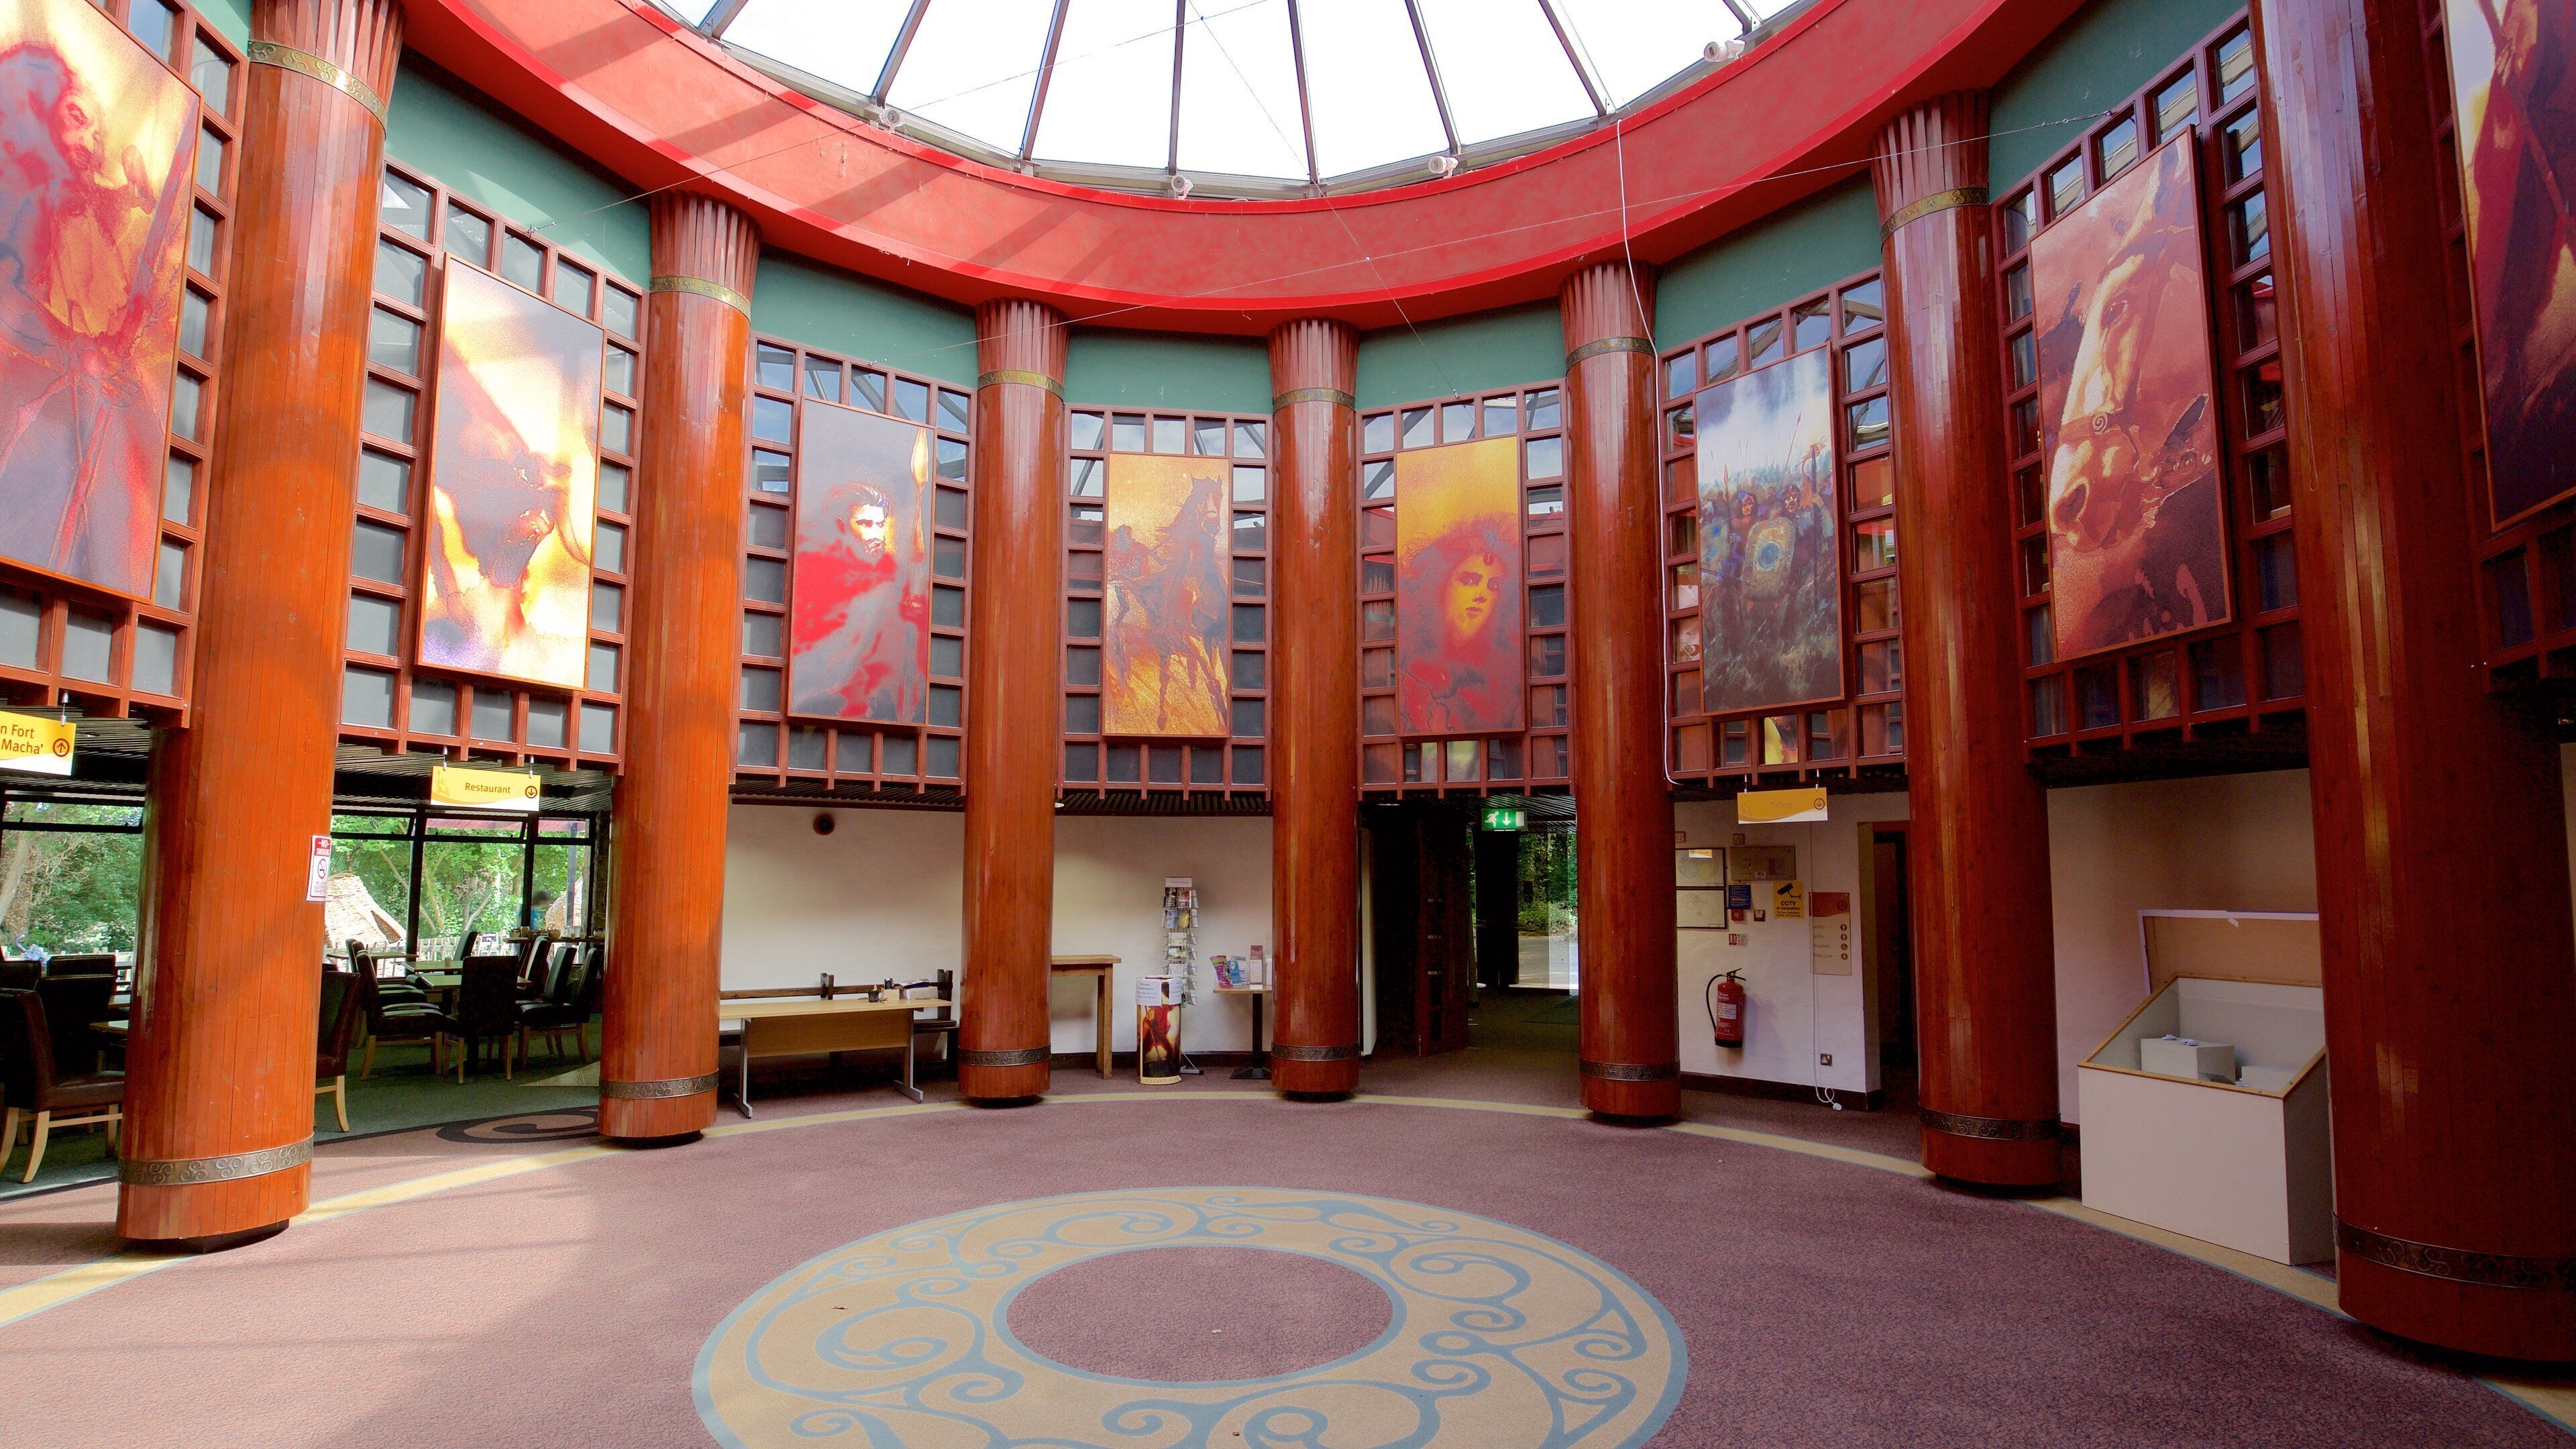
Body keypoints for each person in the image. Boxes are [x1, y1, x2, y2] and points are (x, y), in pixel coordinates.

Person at [0, 34, 189, 598]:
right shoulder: (26, 196)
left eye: (96, 131)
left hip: (77, 401)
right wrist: (81, 353)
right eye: (76, 120)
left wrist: (138, 184)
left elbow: (128, 204)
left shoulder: (76, 196)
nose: (89, 140)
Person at [1399, 514, 1520, 733]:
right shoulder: (1403, 666)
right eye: (1470, 581)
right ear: (1439, 582)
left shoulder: (1507, 676)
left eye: (1494, 585)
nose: (1482, 595)